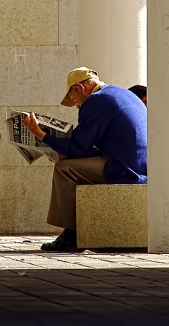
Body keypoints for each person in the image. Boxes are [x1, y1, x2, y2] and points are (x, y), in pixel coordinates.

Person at [22, 67, 148, 251]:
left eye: (73, 99)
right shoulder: (118, 93)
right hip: (138, 165)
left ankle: (71, 235)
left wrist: (40, 134)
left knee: (64, 169)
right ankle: (76, 231)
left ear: (80, 88)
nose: (76, 105)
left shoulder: (96, 101)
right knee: (70, 163)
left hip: (125, 169)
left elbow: (77, 148)